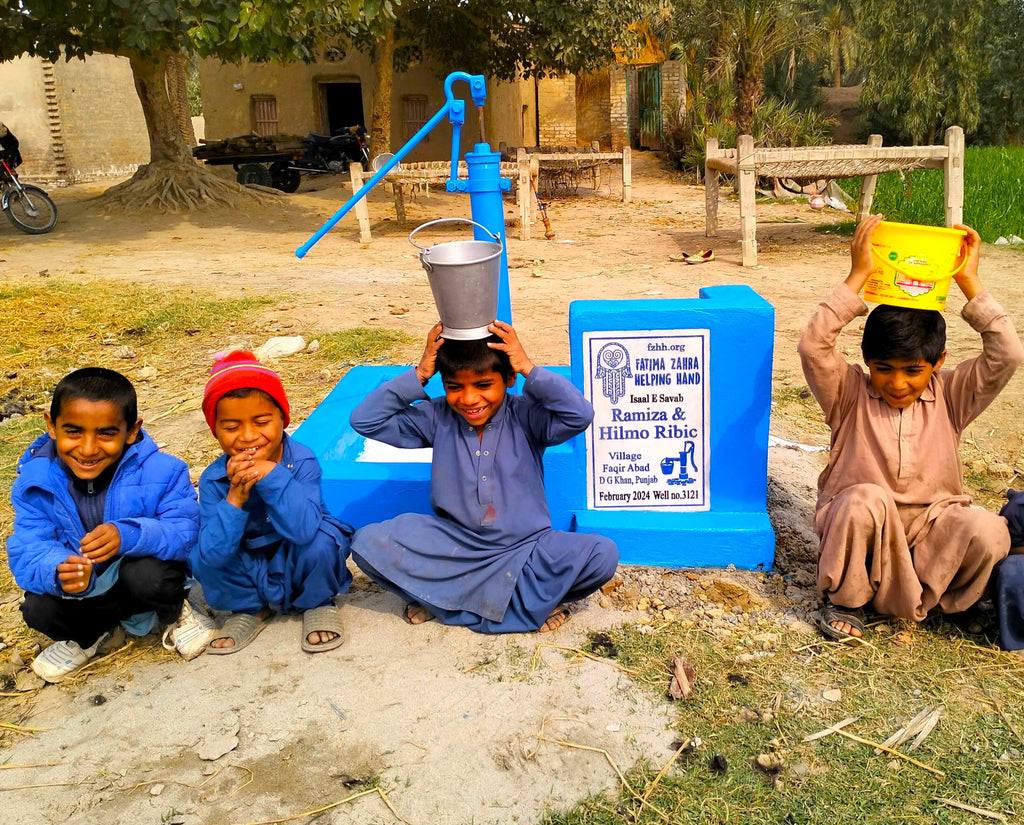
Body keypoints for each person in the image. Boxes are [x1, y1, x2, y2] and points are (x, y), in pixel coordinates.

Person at [798, 214, 1024, 640]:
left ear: (937, 364)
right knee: (863, 500)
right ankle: (849, 599)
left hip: (930, 535)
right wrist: (858, 275)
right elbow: (813, 345)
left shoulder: (953, 396)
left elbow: (1007, 354)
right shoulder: (847, 394)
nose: (897, 383)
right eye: (884, 369)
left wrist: (968, 281)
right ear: (866, 362)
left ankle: (942, 600)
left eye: (912, 371)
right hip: (863, 532)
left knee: (989, 528)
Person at [349, 320, 619, 634]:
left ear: (508, 379)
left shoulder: (526, 415)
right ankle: (527, 607)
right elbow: (365, 420)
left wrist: (529, 367)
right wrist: (419, 373)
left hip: (525, 549)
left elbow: (580, 414)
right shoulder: (437, 417)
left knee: (602, 555)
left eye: (482, 385)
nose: (468, 399)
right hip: (456, 548)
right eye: (454, 387)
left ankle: (444, 602)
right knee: (367, 542)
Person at [7, 368, 200, 682]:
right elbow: (28, 546)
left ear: (132, 430)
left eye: (106, 433)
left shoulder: (163, 471)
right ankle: (91, 635)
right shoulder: (34, 483)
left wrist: (128, 535)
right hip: (89, 592)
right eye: (73, 432)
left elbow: (186, 532)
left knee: (150, 577)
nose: (87, 448)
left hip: (137, 576)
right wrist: (59, 569)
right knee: (38, 609)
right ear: (51, 426)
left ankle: (174, 613)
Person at [193, 351, 352, 654]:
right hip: (249, 562)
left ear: (282, 419)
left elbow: (304, 530)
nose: (248, 436)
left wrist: (274, 476)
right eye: (231, 427)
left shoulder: (302, 461)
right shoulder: (215, 479)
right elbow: (214, 555)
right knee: (200, 555)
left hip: (294, 551)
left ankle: (315, 602)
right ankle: (250, 608)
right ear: (215, 431)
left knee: (323, 541)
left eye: (262, 421)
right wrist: (234, 498)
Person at [993, 493, 1024, 656]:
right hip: (1018, 560)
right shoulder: (1019, 508)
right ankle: (1018, 639)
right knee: (1013, 569)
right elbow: (1006, 546)